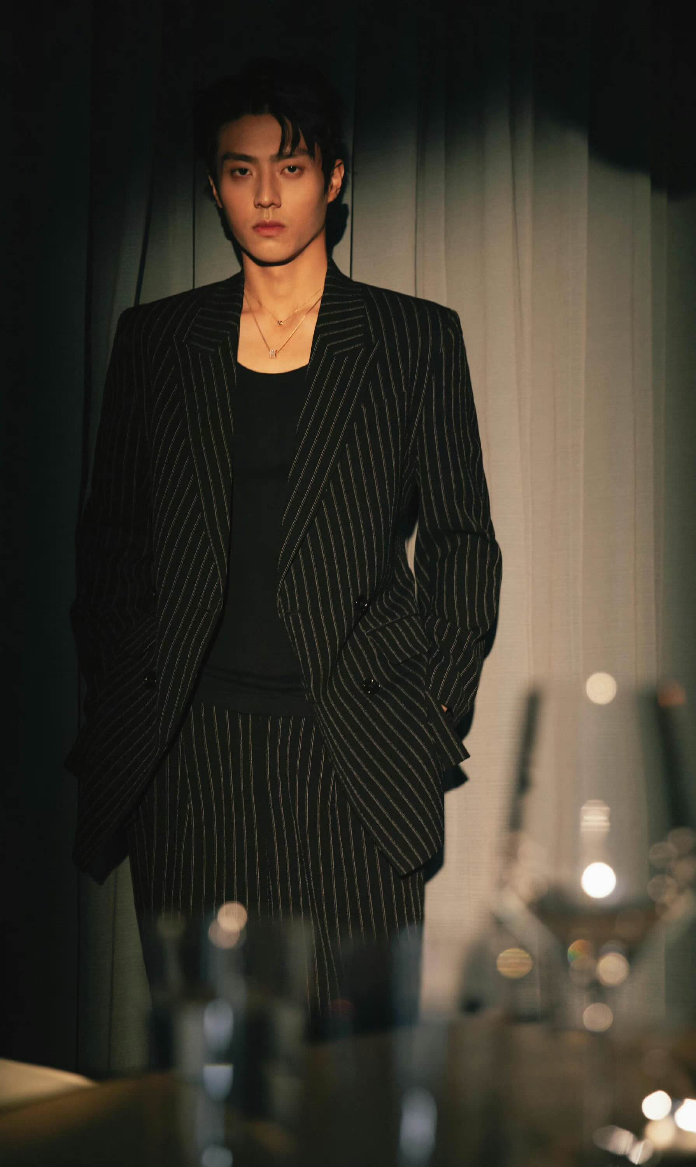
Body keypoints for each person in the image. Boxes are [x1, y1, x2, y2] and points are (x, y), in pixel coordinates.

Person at [64, 55, 502, 1037]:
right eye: (240, 170)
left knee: (356, 1052)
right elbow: (111, 543)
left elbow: (463, 539)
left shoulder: (412, 339)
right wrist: (122, 684)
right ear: (213, 185)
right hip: (189, 752)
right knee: (211, 1050)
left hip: (354, 744)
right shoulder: (157, 340)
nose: (265, 194)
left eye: (291, 168)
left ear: (334, 179)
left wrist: (432, 709)